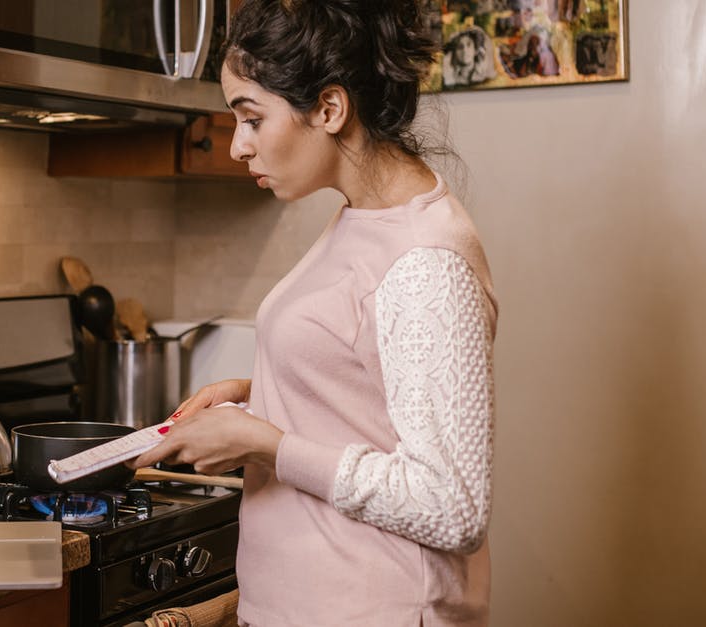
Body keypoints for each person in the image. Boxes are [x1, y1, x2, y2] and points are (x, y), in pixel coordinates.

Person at [130, 1, 498, 625]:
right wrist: (262, 393)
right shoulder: (363, 216)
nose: (238, 147)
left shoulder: (425, 263)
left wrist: (266, 443)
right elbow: (370, 380)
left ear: (329, 109)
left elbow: (451, 506)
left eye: (251, 118)